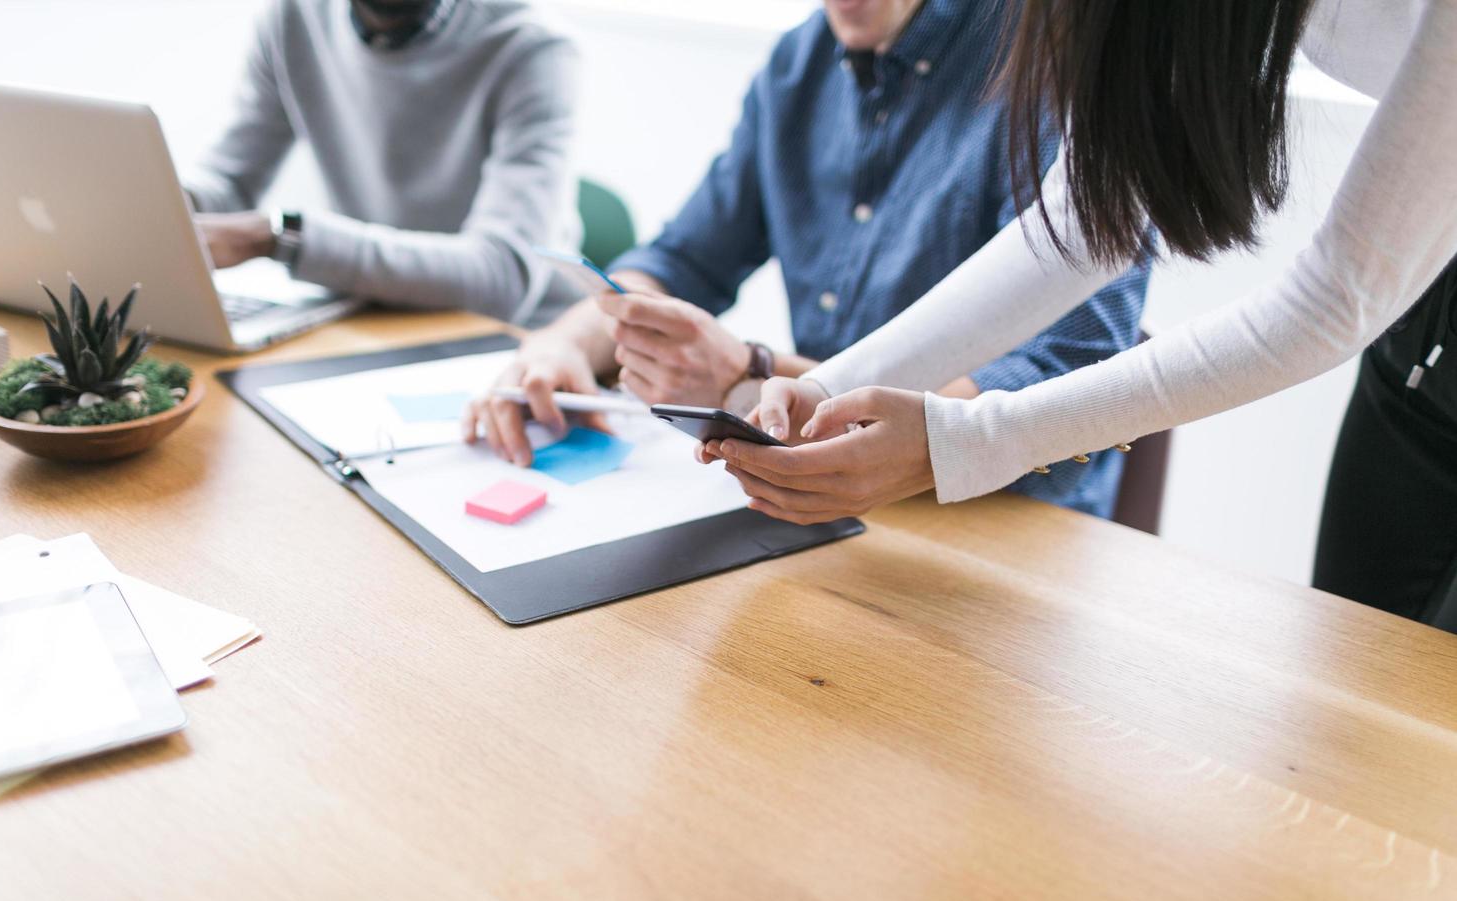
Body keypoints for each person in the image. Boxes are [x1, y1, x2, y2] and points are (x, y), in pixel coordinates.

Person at [717, 0, 1457, 630]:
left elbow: (1335, 302)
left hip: (1397, 283)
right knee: (1359, 674)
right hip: (1422, 331)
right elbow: (1081, 226)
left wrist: (965, 441)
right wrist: (832, 387)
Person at [467, 0, 1149, 519]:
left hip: (1001, 533)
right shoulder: (800, 63)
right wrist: (565, 344)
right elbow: (683, 258)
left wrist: (750, 379)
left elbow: (1060, 389)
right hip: (819, 508)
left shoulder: (1053, 61)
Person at [184, 0, 583, 327]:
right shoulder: (294, 16)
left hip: (515, 343)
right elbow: (230, 181)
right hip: (370, 315)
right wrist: (163, 201)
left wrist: (279, 236)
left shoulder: (534, 45)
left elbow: (502, 276)